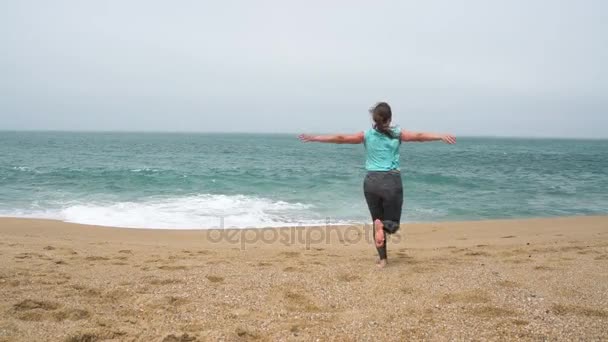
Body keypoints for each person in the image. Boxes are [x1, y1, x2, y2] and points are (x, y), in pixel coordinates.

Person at [299, 102, 456, 268]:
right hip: (391, 182)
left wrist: (315, 138)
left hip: (371, 183)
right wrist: (439, 136)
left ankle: (382, 260)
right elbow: (419, 136)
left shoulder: (366, 135)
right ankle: (382, 228)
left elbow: (341, 139)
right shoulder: (397, 133)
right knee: (392, 226)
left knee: (377, 220)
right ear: (389, 119)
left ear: (375, 119)